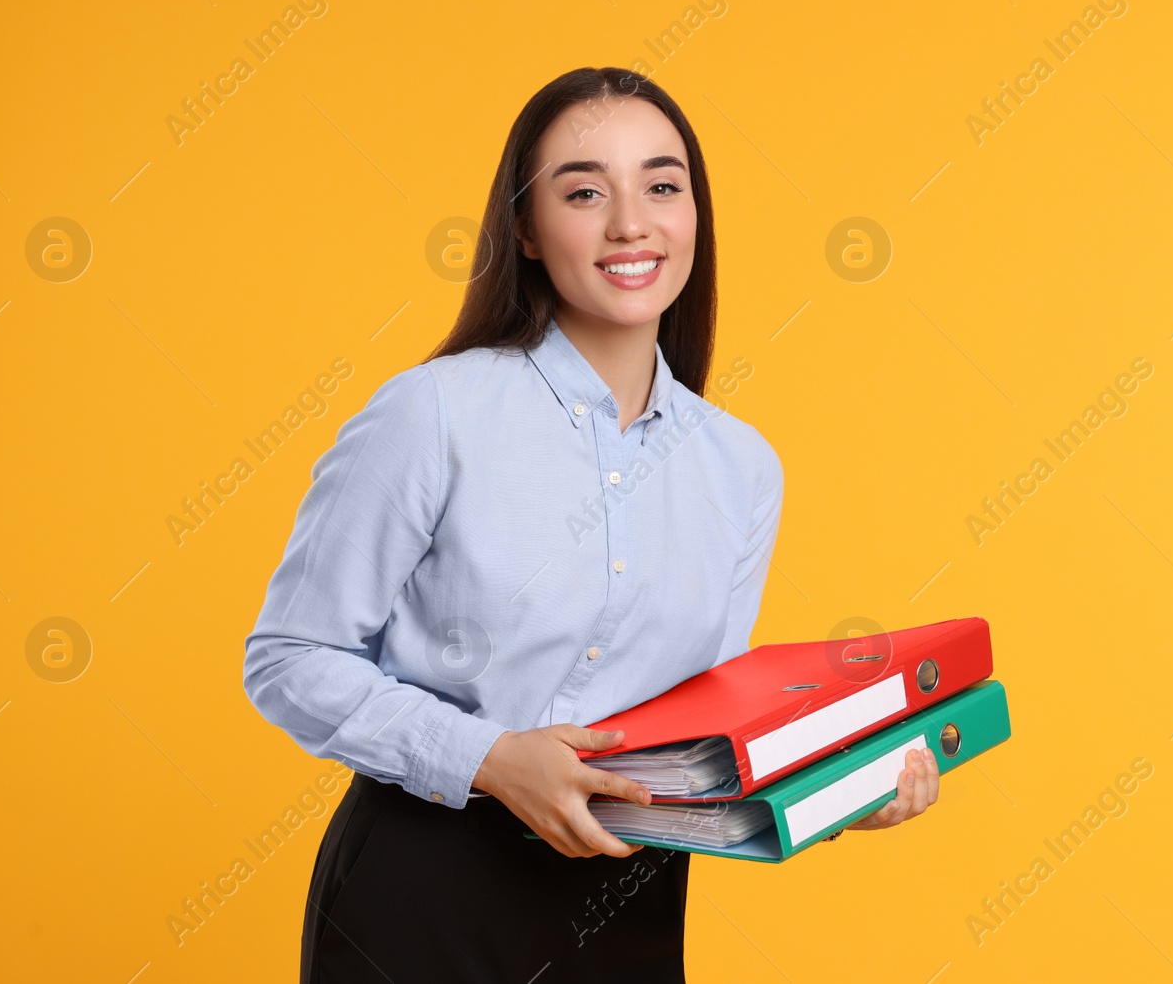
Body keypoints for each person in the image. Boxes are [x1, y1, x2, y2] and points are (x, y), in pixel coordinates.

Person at [241, 66, 941, 984]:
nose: (630, 223)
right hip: (422, 902)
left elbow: (702, 729)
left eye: (662, 185)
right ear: (525, 229)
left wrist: (839, 788)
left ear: (696, 216)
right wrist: (490, 758)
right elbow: (289, 656)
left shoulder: (740, 467)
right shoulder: (432, 414)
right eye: (584, 191)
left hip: (628, 911)